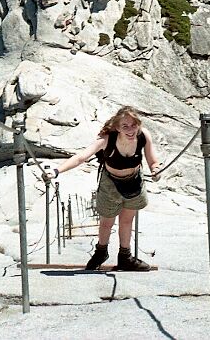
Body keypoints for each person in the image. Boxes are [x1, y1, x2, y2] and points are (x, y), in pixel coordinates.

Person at [44, 107, 160, 271]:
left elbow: (152, 160)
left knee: (127, 220)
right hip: (110, 184)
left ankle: (125, 258)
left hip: (134, 182)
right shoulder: (107, 140)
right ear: (117, 127)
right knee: (107, 222)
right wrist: (56, 171)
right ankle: (101, 252)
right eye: (125, 126)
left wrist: (156, 170)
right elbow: (81, 157)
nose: (131, 129)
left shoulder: (143, 136)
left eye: (134, 125)